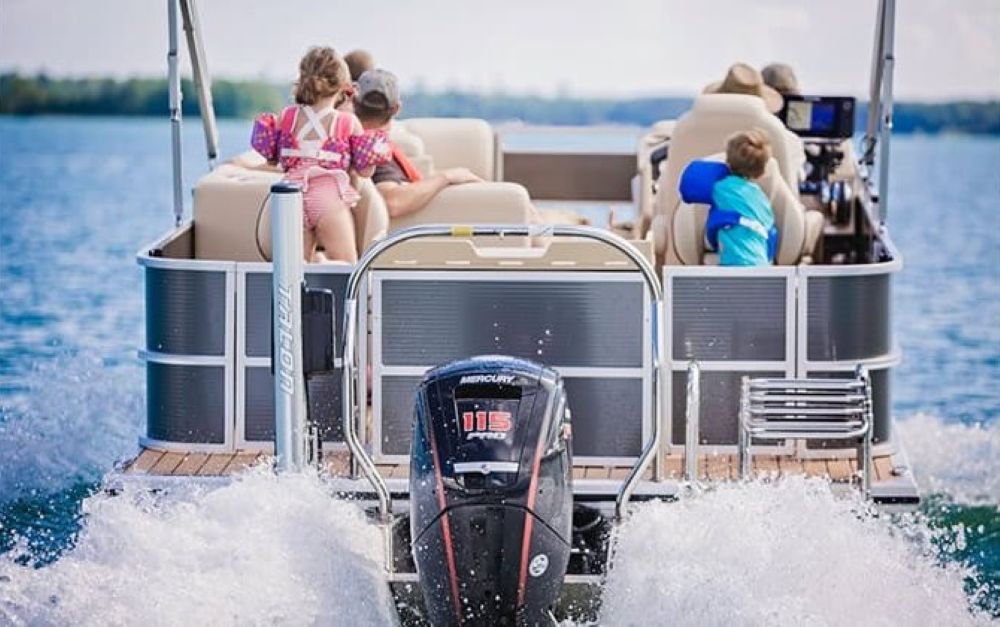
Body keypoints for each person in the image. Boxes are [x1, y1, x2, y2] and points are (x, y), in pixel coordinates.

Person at [250, 46, 392, 262]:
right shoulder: (346, 122)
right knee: (346, 265)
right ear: (344, 86)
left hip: (290, 198)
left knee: (296, 272)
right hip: (327, 200)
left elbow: (272, 158)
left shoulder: (287, 117)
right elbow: (365, 171)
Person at [352, 68, 482, 219]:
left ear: (355, 103)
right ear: (396, 109)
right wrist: (447, 177)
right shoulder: (374, 152)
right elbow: (392, 203)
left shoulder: (355, 143)